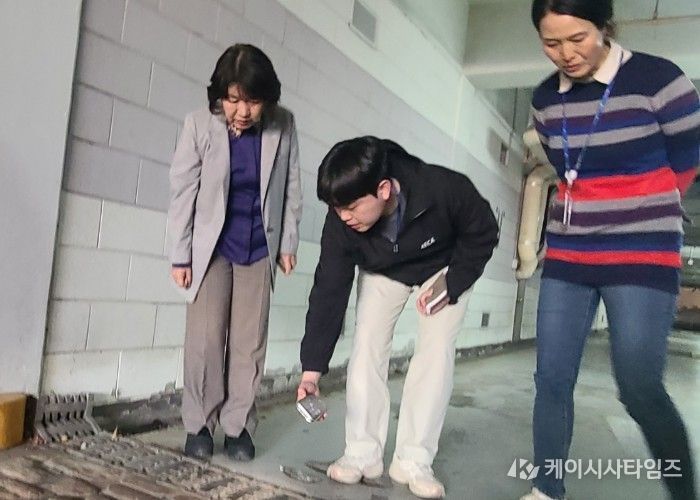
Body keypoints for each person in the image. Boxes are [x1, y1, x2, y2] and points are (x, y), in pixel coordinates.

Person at [522, 1, 699, 499]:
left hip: (642, 254)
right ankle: (547, 489)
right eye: (551, 43)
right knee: (551, 379)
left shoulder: (658, 80)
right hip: (569, 256)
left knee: (639, 387)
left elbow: (687, 159)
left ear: (605, 27)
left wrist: (642, 208)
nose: (566, 53)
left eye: (577, 38)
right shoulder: (545, 99)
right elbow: (564, 166)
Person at [296, 137, 499, 498]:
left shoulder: (443, 188)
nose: (344, 217)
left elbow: (483, 231)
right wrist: (311, 369)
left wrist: (454, 282)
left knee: (436, 351)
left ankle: (414, 460)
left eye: (352, 207)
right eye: (337, 209)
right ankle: (362, 454)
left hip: (442, 268)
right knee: (367, 345)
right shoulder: (341, 221)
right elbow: (329, 288)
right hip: (383, 268)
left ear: (384, 189)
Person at [167, 44, 302, 461]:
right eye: (233, 100)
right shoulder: (198, 125)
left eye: (253, 101)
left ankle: (238, 426)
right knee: (206, 339)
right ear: (220, 96)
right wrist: (180, 254)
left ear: (268, 99)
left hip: (258, 246)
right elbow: (183, 191)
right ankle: (199, 425)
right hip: (212, 248)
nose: (242, 111)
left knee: (249, 343)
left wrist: (287, 243)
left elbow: (291, 185)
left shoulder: (283, 125)